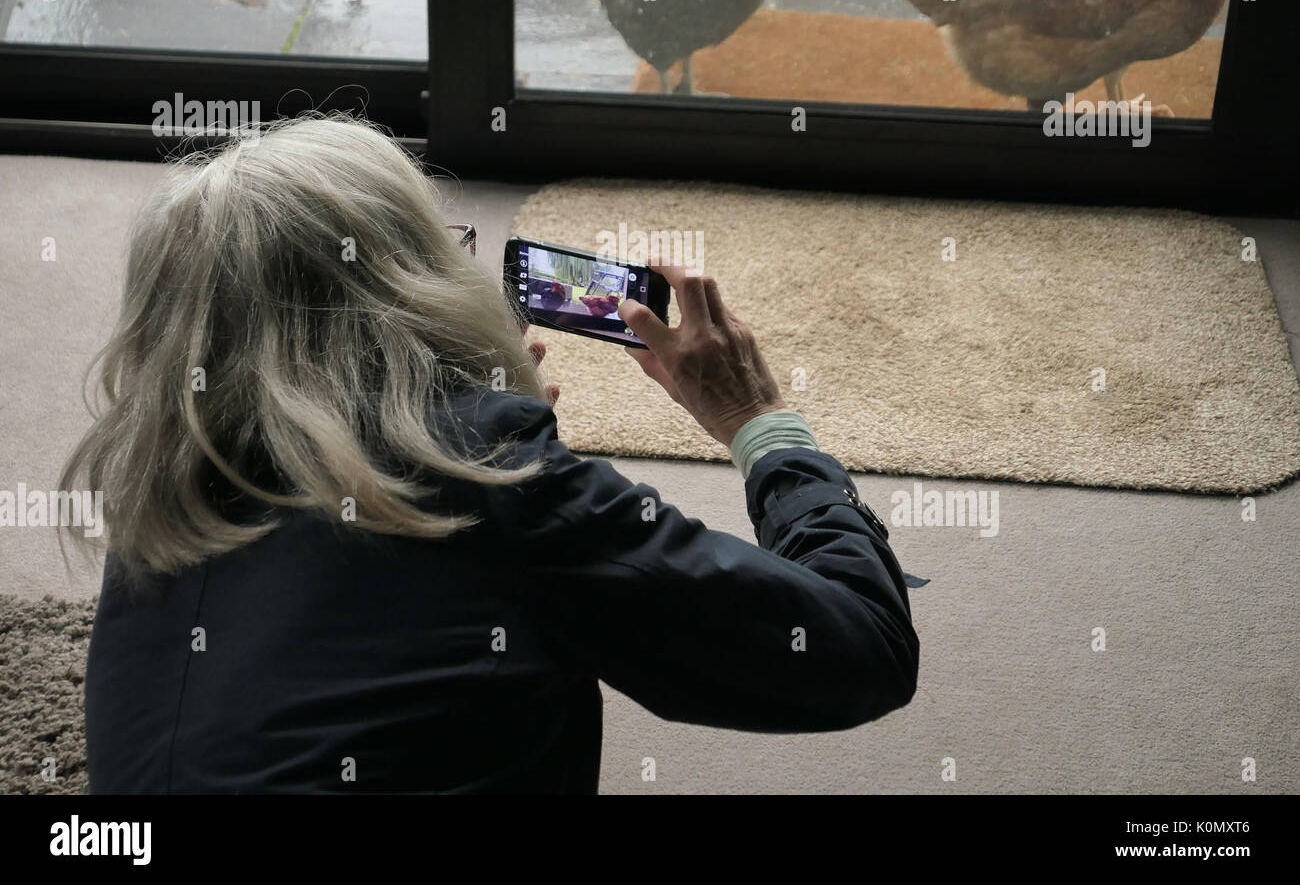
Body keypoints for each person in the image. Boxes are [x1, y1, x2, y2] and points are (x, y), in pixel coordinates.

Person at [63, 113, 918, 794]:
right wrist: (757, 418)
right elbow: (859, 648)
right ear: (413, 286)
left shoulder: (159, 496)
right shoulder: (495, 477)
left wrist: (465, 437)